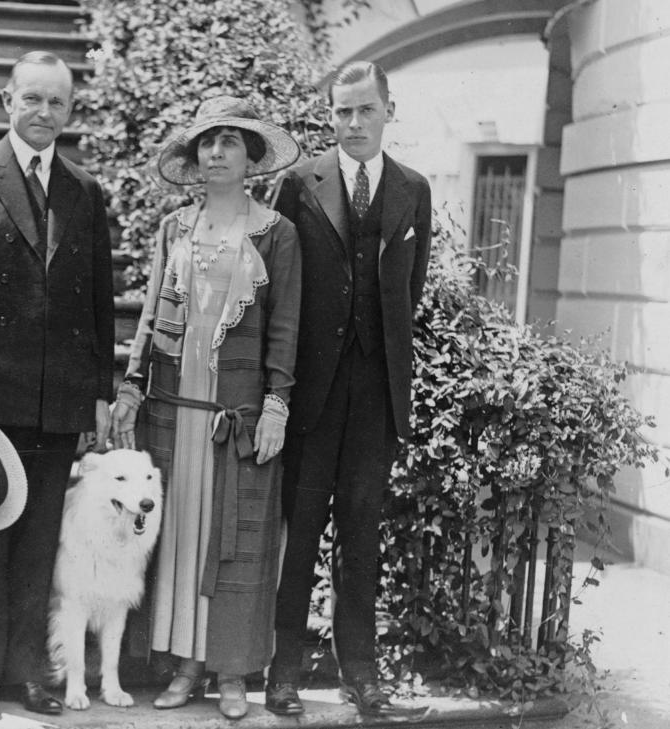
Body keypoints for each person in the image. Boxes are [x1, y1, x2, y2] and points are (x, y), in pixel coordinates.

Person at [0, 51, 115, 717]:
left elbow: (99, 297)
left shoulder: (84, 191)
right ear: (7, 101)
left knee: (39, 540)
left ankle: (30, 673)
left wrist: (99, 390)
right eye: (30, 99)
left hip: (58, 398)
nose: (42, 112)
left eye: (55, 102)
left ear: (70, 111)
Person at [111, 96, 302, 721]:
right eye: (207, 143)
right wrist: (132, 385)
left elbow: (285, 328)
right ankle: (186, 667)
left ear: (251, 157)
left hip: (237, 417)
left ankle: (231, 673)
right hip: (176, 410)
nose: (216, 153)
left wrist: (275, 403)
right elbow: (147, 320)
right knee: (183, 538)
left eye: (230, 142)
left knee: (237, 543)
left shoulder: (277, 234)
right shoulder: (175, 228)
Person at [265, 61, 432, 718]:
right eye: (342, 112)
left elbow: (408, 293)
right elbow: (280, 287)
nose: (353, 123)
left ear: (389, 109)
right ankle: (283, 671)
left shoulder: (412, 190)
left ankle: (361, 674)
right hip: (312, 392)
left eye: (365, 109)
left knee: (361, 536)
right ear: (329, 115)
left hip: (376, 395)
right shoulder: (298, 183)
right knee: (299, 533)